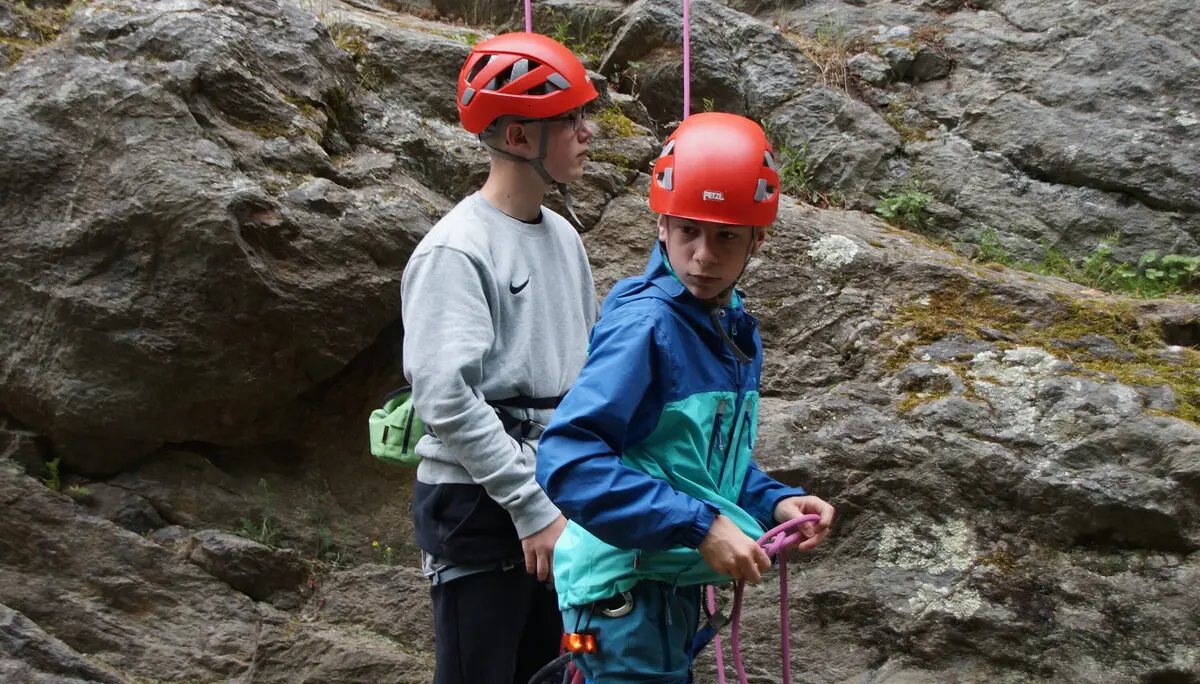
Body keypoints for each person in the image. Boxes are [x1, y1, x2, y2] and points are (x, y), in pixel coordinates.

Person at [534, 112, 837, 683]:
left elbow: (693, 463)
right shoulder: (647, 328)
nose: (703, 255)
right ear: (662, 227)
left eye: (726, 236)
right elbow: (567, 458)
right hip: (623, 594)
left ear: (757, 239)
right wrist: (701, 527)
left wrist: (775, 501)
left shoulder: (727, 325)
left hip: (662, 586)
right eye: (688, 231)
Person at [400, 31, 599, 684]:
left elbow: (587, 372)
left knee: (561, 673)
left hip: (555, 499)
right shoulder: (455, 250)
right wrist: (529, 505)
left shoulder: (564, 238)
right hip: (479, 511)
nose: (587, 133)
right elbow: (445, 398)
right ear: (518, 136)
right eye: (569, 120)